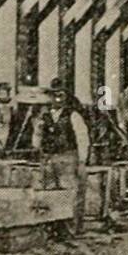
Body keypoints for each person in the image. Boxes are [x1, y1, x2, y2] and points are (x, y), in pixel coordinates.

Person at [39, 79, 90, 236]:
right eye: (54, 96)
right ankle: (54, 228)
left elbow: (82, 138)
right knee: (50, 193)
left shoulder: (73, 115)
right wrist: (39, 150)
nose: (57, 99)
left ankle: (72, 229)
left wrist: (82, 161)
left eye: (60, 95)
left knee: (70, 193)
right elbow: (38, 135)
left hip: (68, 158)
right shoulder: (45, 116)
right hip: (49, 158)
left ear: (66, 97)